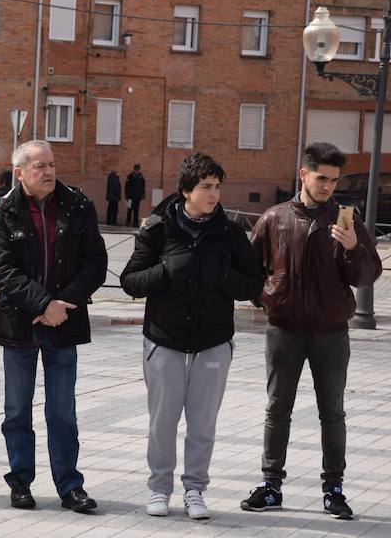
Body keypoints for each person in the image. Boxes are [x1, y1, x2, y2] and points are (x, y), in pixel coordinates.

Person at [239, 142, 382, 520]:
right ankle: (271, 487)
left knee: (332, 413)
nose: (328, 187)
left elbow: (368, 275)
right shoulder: (274, 218)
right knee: (277, 410)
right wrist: (267, 297)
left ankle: (333, 489)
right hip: (283, 330)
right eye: (322, 178)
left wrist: (353, 247)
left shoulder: (346, 221)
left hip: (331, 333)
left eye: (334, 181)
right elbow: (247, 270)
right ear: (304, 175)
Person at [121, 153, 264, 520]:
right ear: (187, 190)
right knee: (162, 423)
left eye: (217, 187)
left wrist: (225, 278)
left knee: (202, 424)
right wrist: (166, 271)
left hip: (213, 342)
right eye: (205, 187)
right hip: (163, 340)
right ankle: (159, 490)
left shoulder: (231, 234)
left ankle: (195, 490)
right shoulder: (158, 228)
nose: (214, 194)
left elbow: (254, 284)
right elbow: (130, 281)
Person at [0, 140, 107, 513]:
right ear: (20, 172)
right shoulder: (4, 209)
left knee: (62, 411)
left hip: (64, 323)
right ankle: (20, 482)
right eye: (40, 166)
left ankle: (70, 486)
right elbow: (0, 268)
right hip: (20, 323)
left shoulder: (77, 205)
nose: (49, 171)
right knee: (17, 410)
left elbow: (95, 263)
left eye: (52, 164)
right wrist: (42, 304)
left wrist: (60, 306)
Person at [125, 164, 146, 228]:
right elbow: (126, 187)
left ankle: (135, 224)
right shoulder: (130, 176)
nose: (137, 171)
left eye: (138, 170)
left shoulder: (141, 177)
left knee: (136, 211)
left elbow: (143, 187)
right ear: (134, 169)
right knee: (129, 210)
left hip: (137, 197)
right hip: (130, 197)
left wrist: (142, 195)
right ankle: (128, 223)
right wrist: (127, 196)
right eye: (136, 170)